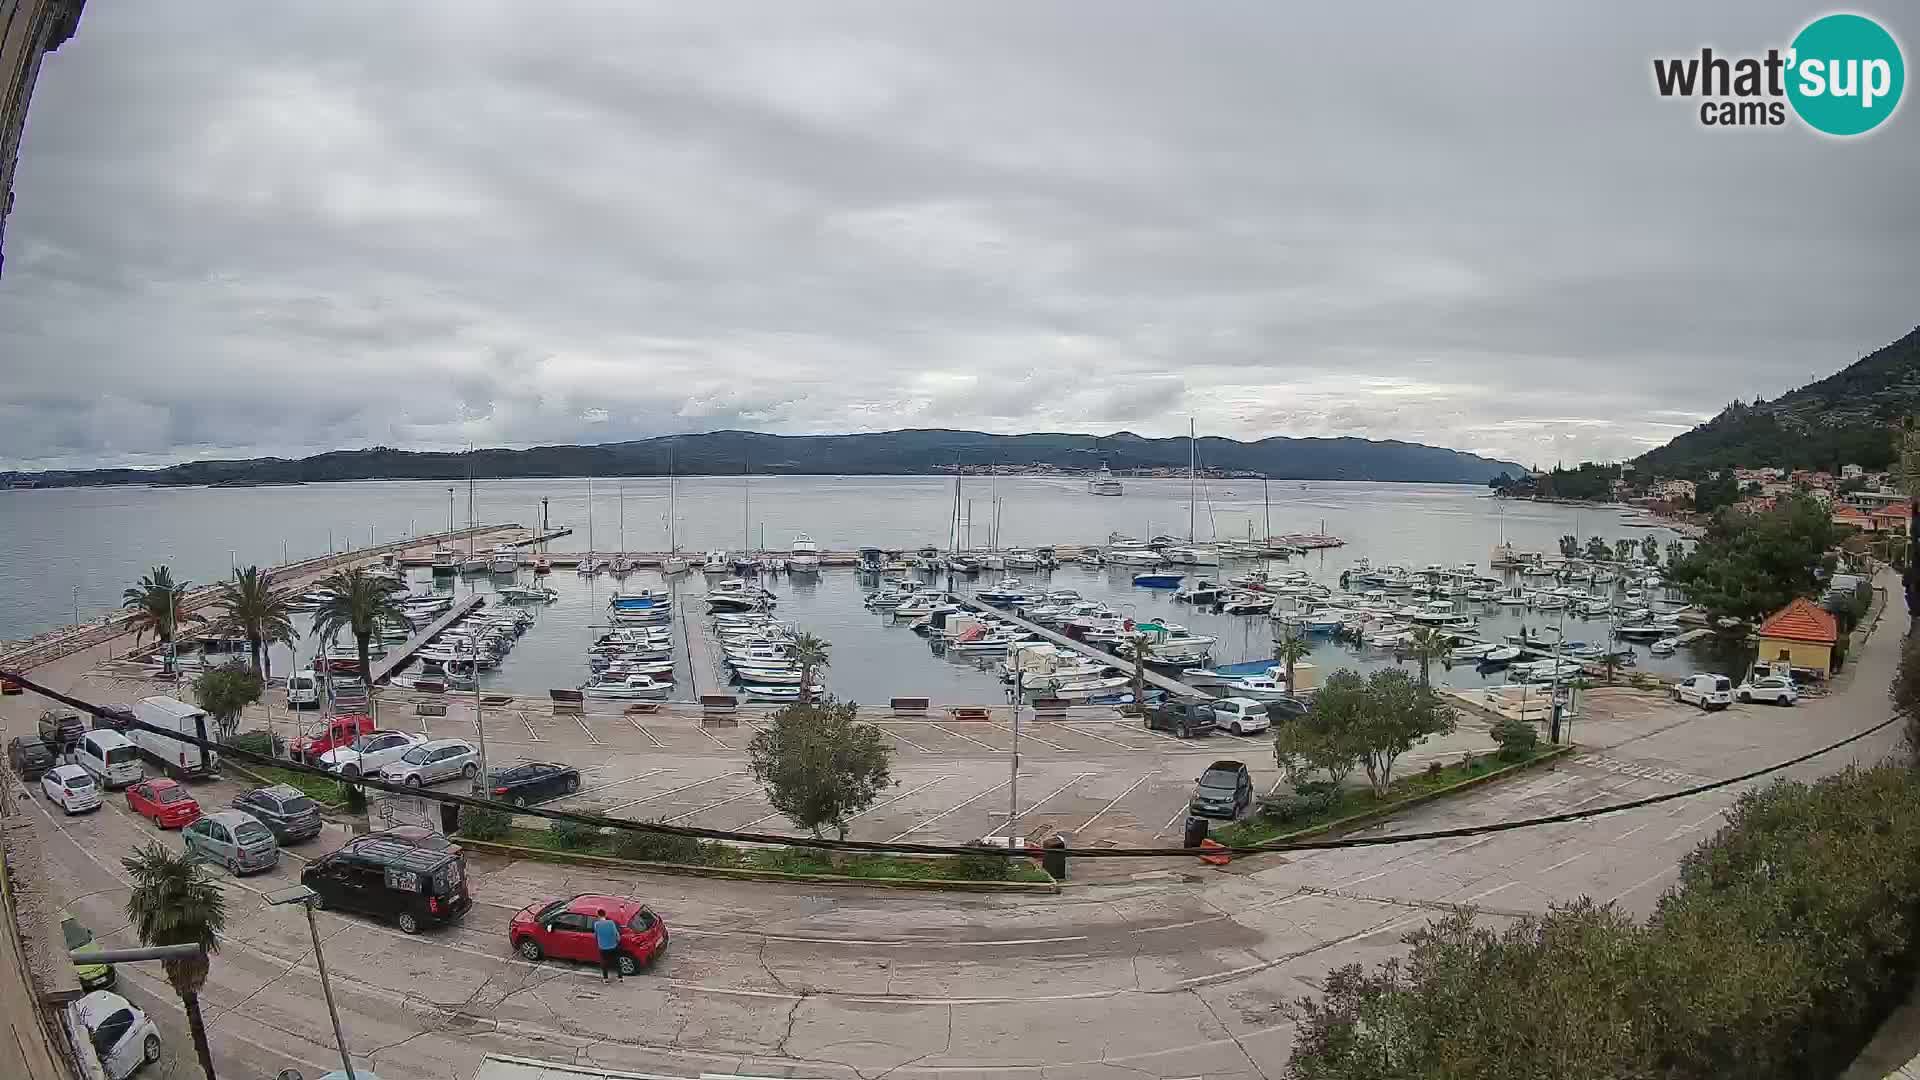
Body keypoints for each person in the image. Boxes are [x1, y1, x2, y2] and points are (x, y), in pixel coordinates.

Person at [593, 909, 623, 982]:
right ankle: (620, 977)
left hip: (603, 947)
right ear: (605, 914)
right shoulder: (611, 923)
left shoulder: (596, 924)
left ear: (598, 915)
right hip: (613, 945)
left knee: (604, 963)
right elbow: (617, 934)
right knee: (617, 962)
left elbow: (596, 935)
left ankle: (605, 979)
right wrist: (617, 942)